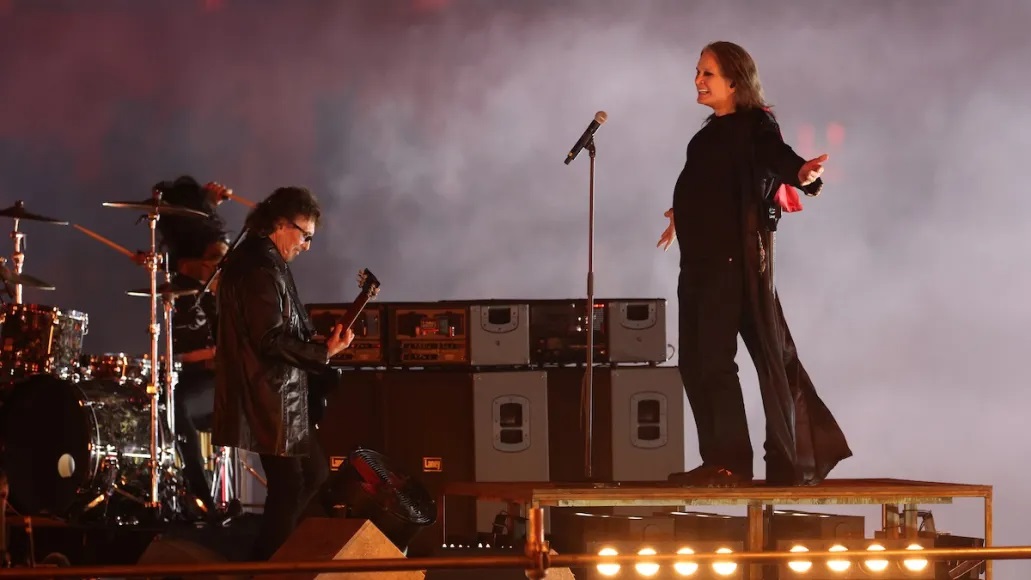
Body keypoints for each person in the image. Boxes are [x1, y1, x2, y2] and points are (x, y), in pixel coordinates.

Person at [656, 41, 852, 487]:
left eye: (707, 73)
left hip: (731, 264)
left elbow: (775, 157)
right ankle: (720, 460)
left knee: (716, 361)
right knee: (694, 361)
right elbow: (708, 188)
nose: (698, 81)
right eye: (698, 72)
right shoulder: (707, 135)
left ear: (734, 82)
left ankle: (731, 464)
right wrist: (679, 216)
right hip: (700, 265)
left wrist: (801, 172)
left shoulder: (754, 125)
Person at [212, 186, 354, 560]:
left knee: (312, 475)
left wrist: (318, 345)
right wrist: (323, 352)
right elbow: (269, 340)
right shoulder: (258, 267)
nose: (307, 245)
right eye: (304, 235)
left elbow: (276, 332)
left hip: (278, 396)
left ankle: (275, 559)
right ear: (280, 223)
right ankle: (266, 565)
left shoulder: (264, 261)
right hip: (269, 397)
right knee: (291, 485)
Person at [153, 176, 232, 516]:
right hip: (188, 373)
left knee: (178, 407)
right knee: (161, 402)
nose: (215, 265)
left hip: (222, 379)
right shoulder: (178, 280)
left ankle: (205, 499)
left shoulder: (222, 271)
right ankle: (175, 492)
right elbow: (178, 351)